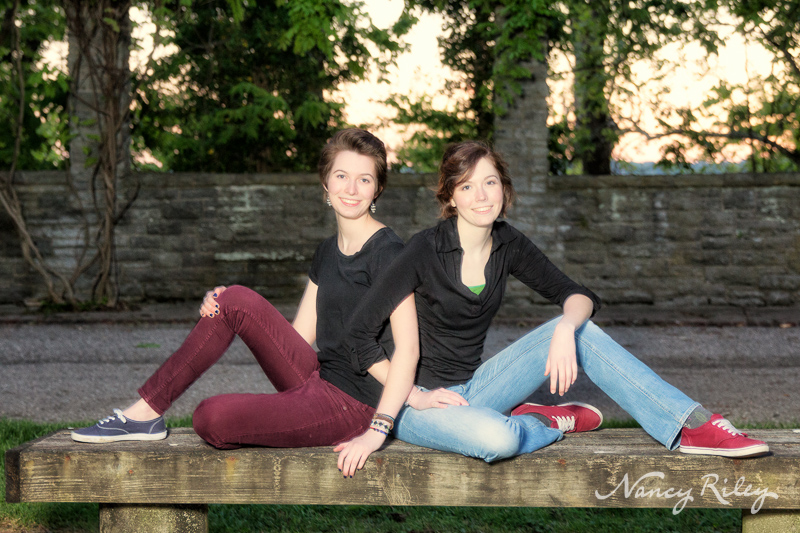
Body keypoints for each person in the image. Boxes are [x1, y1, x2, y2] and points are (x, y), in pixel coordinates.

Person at [335, 140, 769, 477]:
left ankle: (690, 423)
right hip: (415, 406)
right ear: (450, 197)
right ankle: (541, 423)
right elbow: (358, 337)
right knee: (497, 439)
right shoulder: (423, 250)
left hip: (476, 388)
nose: (481, 196)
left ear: (504, 188)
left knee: (579, 329)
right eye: (467, 186)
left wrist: (565, 328)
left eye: (490, 182)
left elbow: (578, 294)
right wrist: (414, 397)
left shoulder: (508, 243)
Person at [71, 128, 418, 449]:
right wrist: (223, 309)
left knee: (210, 417)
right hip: (319, 378)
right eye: (341, 176)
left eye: (364, 179)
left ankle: (149, 417)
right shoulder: (328, 251)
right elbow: (297, 339)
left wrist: (404, 406)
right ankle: (143, 414)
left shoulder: (389, 254)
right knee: (231, 297)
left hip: (354, 405)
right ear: (326, 183)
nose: (351, 189)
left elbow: (407, 350)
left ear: (378, 189)